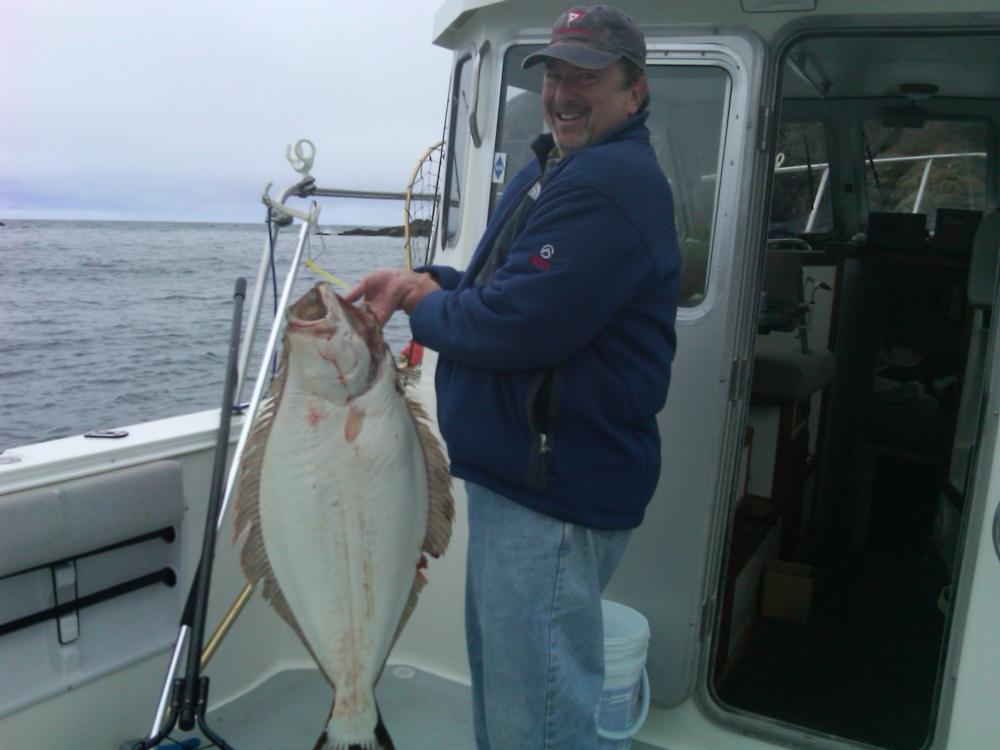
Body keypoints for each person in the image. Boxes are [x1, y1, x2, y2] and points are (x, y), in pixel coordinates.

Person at [347, 6, 679, 748]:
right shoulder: (554, 168)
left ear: (635, 90)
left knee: (544, 719)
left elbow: (518, 325)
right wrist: (423, 283)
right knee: (512, 698)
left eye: (586, 76)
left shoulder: (610, 183)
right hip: (524, 483)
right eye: (556, 72)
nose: (563, 91)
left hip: (553, 494)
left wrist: (426, 312)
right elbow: (501, 287)